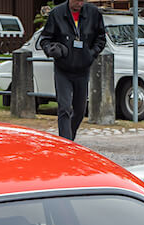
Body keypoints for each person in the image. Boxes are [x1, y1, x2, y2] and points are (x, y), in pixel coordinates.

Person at [40, 0, 107, 140]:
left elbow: (101, 38)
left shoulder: (93, 13)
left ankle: (68, 140)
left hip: (82, 69)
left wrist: (91, 54)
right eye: (77, 0)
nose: (80, 4)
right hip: (63, 69)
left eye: (83, 0)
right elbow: (45, 39)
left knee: (80, 110)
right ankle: (66, 143)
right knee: (64, 108)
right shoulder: (57, 14)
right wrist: (52, 50)